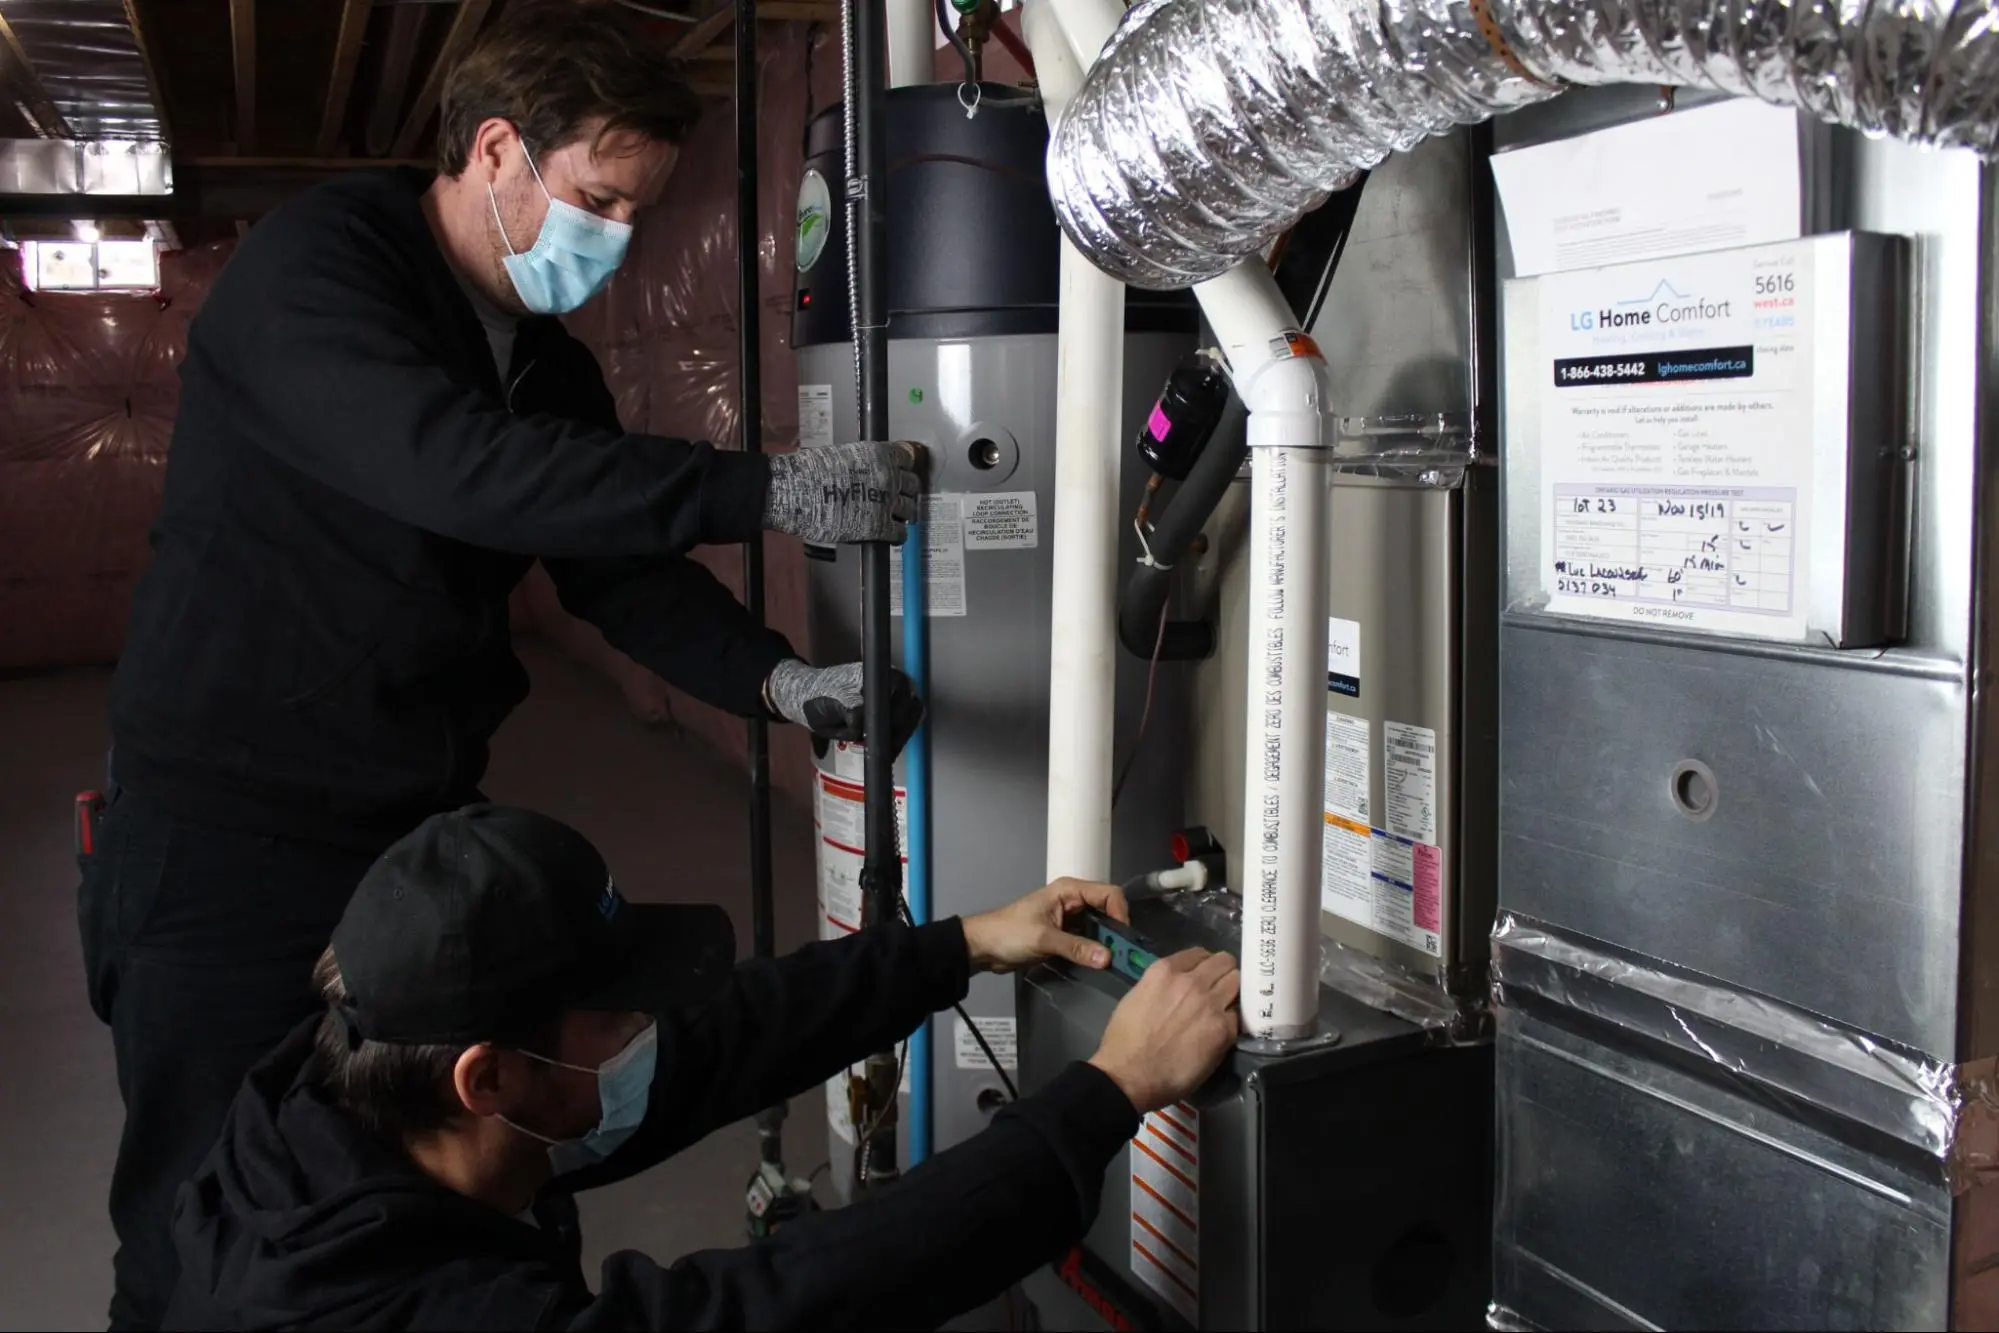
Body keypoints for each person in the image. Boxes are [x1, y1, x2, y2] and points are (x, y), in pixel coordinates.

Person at [78, 6, 922, 1328]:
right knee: (207, 1217)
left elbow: (607, 564)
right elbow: (457, 471)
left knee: (456, 1174)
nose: (614, 241)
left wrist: (775, 682)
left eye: (638, 213)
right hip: (225, 840)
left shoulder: (541, 361)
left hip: (399, 833)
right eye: (596, 200)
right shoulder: (323, 270)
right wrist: (770, 487)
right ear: (494, 153)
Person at [160, 805, 1241, 1329]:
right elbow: (781, 1306)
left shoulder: (342, 1097)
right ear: (484, 1079)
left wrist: (955, 944)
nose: (641, 1031)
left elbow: (716, 1042)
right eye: (610, 1019)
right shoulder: (378, 1312)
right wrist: (1111, 1089)